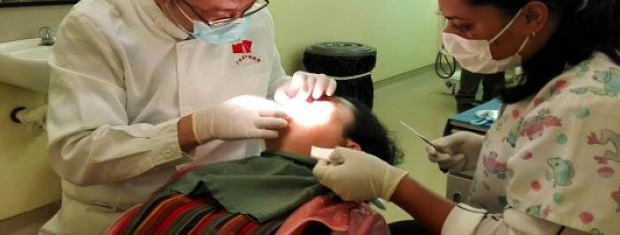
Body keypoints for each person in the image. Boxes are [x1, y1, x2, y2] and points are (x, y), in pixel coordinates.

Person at [312, 0, 620, 234]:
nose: (451, 37)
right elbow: (557, 157)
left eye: (463, 24)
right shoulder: (564, 63)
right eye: (446, 20)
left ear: (532, 16)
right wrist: (490, 155)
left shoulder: (592, 105)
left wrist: (393, 185)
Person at [41, 0, 337, 234]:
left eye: (248, 5)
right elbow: (78, 153)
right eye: (220, 14)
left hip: (229, 198)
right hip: (127, 208)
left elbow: (268, 82)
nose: (237, 22)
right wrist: (195, 128)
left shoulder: (253, 19)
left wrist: (288, 91)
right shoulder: (97, 27)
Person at [105, 96, 401, 234]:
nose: (297, 102)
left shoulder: (343, 224)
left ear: (347, 150)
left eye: (317, 105)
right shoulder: (206, 174)